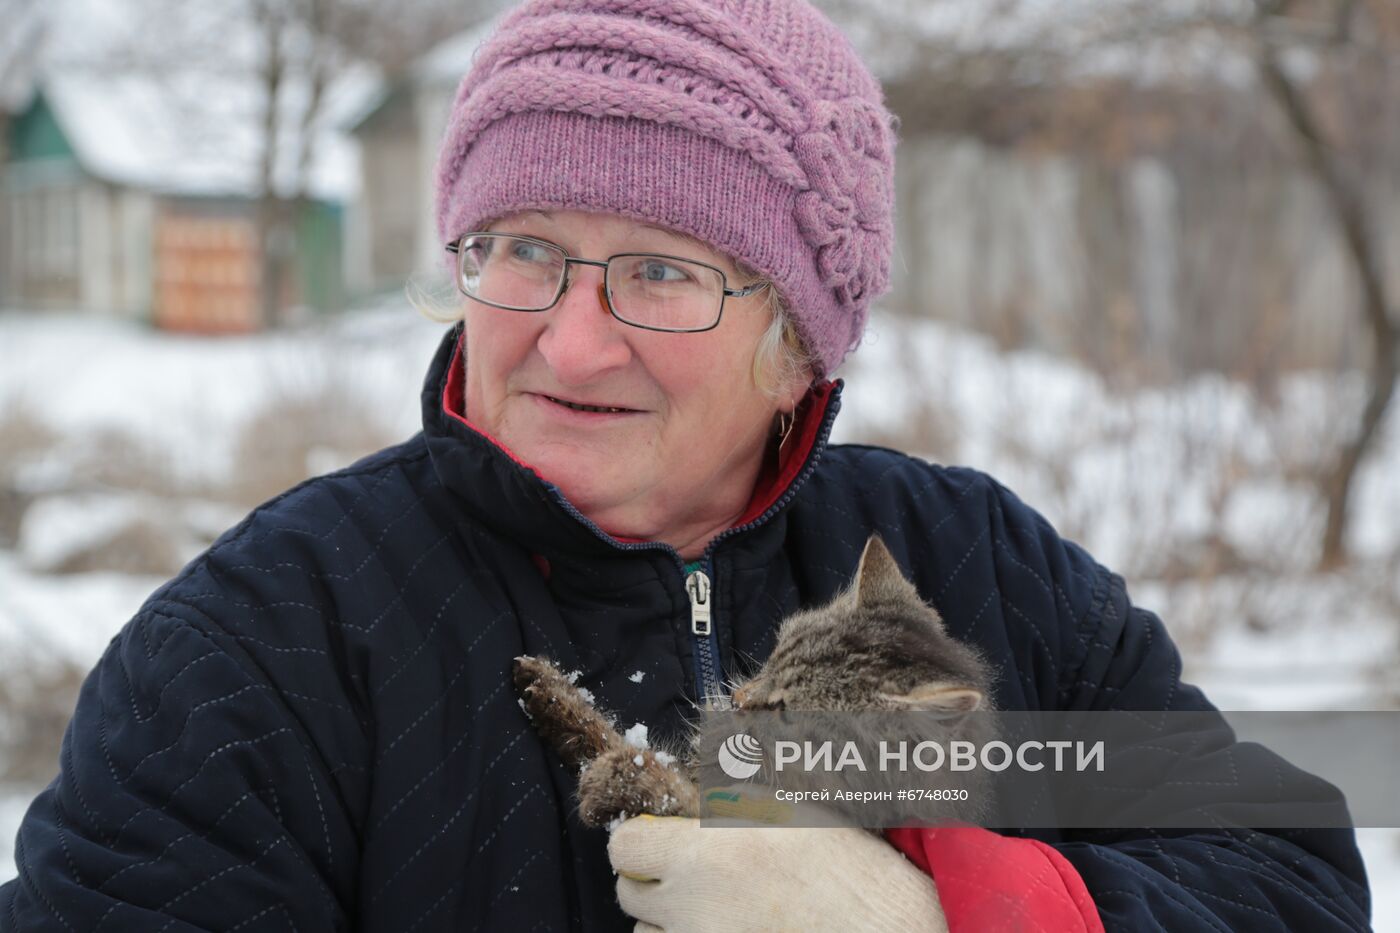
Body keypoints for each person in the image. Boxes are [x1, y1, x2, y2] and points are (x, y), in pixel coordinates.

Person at [0, 0, 1371, 930]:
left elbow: (1286, 875)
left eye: (660, 273)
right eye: (522, 250)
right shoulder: (270, 644)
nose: (570, 342)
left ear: (799, 338)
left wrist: (945, 903)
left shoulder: (973, 572)